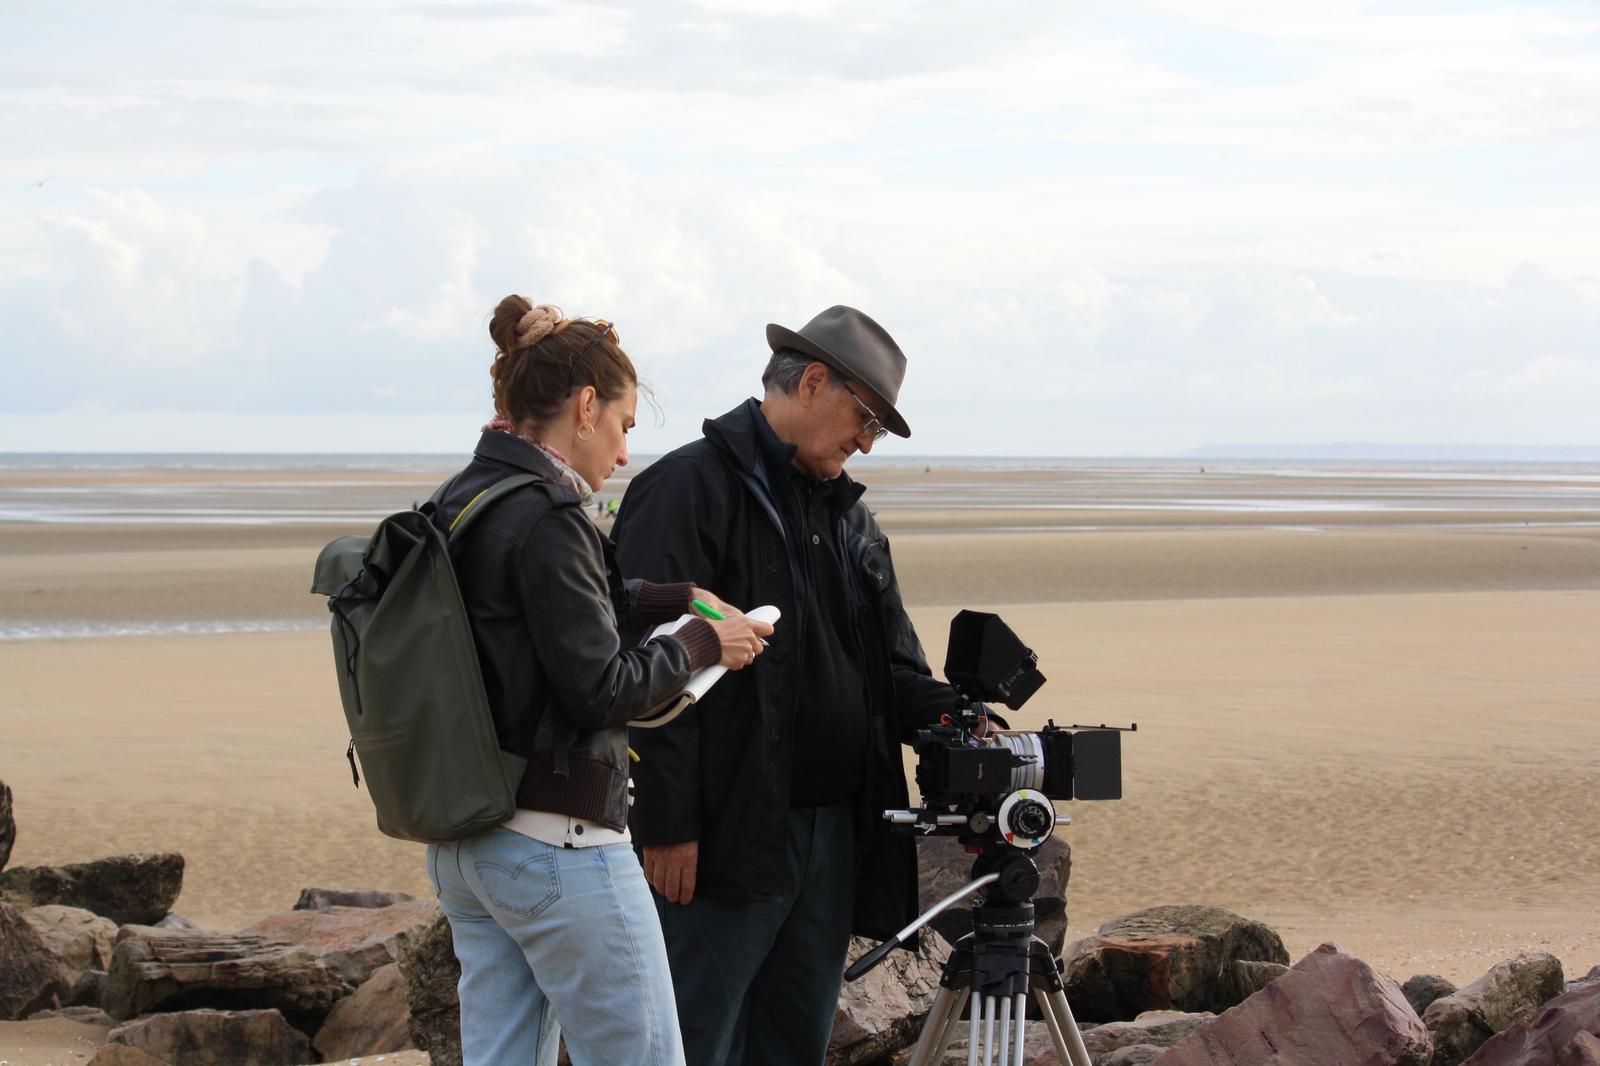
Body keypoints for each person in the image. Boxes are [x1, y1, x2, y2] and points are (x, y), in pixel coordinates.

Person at [612, 305, 969, 1065]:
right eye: (867, 417)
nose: (868, 440)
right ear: (812, 382)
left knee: (794, 1044)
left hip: (835, 832)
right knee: (692, 1040)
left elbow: (893, 669)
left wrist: (963, 720)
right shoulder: (686, 487)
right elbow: (644, 668)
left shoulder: (853, 519)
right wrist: (669, 823)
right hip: (722, 831)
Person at [427, 295, 774, 1066]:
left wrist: (678, 597)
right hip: (561, 841)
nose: (622, 456)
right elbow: (604, 688)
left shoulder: (466, 498)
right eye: (622, 426)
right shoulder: (548, 516)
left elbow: (549, 608)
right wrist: (700, 642)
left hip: (469, 843)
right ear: (586, 407)